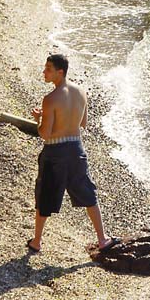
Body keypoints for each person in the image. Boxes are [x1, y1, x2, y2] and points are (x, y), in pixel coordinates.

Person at [28, 54, 118, 255]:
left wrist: (38, 119)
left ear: (60, 72)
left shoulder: (50, 99)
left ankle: (37, 241)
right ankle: (102, 239)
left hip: (54, 152)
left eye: (48, 69)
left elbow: (45, 133)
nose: (44, 72)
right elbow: (83, 123)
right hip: (77, 149)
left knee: (46, 196)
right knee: (87, 193)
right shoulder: (81, 92)